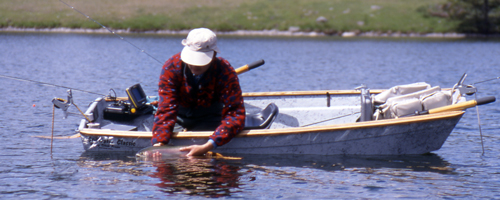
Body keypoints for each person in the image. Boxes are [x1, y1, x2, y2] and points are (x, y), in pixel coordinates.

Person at [151, 28, 246, 157]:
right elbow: (166, 109)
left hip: (212, 119)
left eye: (200, 61)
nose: (194, 66)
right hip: (178, 119)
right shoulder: (171, 67)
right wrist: (159, 143)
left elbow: (236, 114)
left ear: (213, 55)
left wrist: (208, 146)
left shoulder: (225, 70)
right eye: (191, 60)